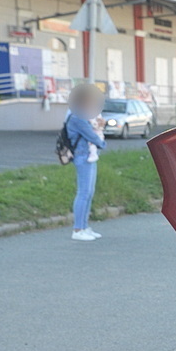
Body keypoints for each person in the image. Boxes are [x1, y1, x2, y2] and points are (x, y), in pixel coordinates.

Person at [66, 83, 107, 242]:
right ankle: (78, 229)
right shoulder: (77, 116)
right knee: (83, 193)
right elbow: (92, 136)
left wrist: (99, 128)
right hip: (82, 156)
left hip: (89, 155)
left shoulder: (84, 115)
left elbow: (94, 131)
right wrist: (101, 139)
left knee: (89, 192)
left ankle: (84, 226)